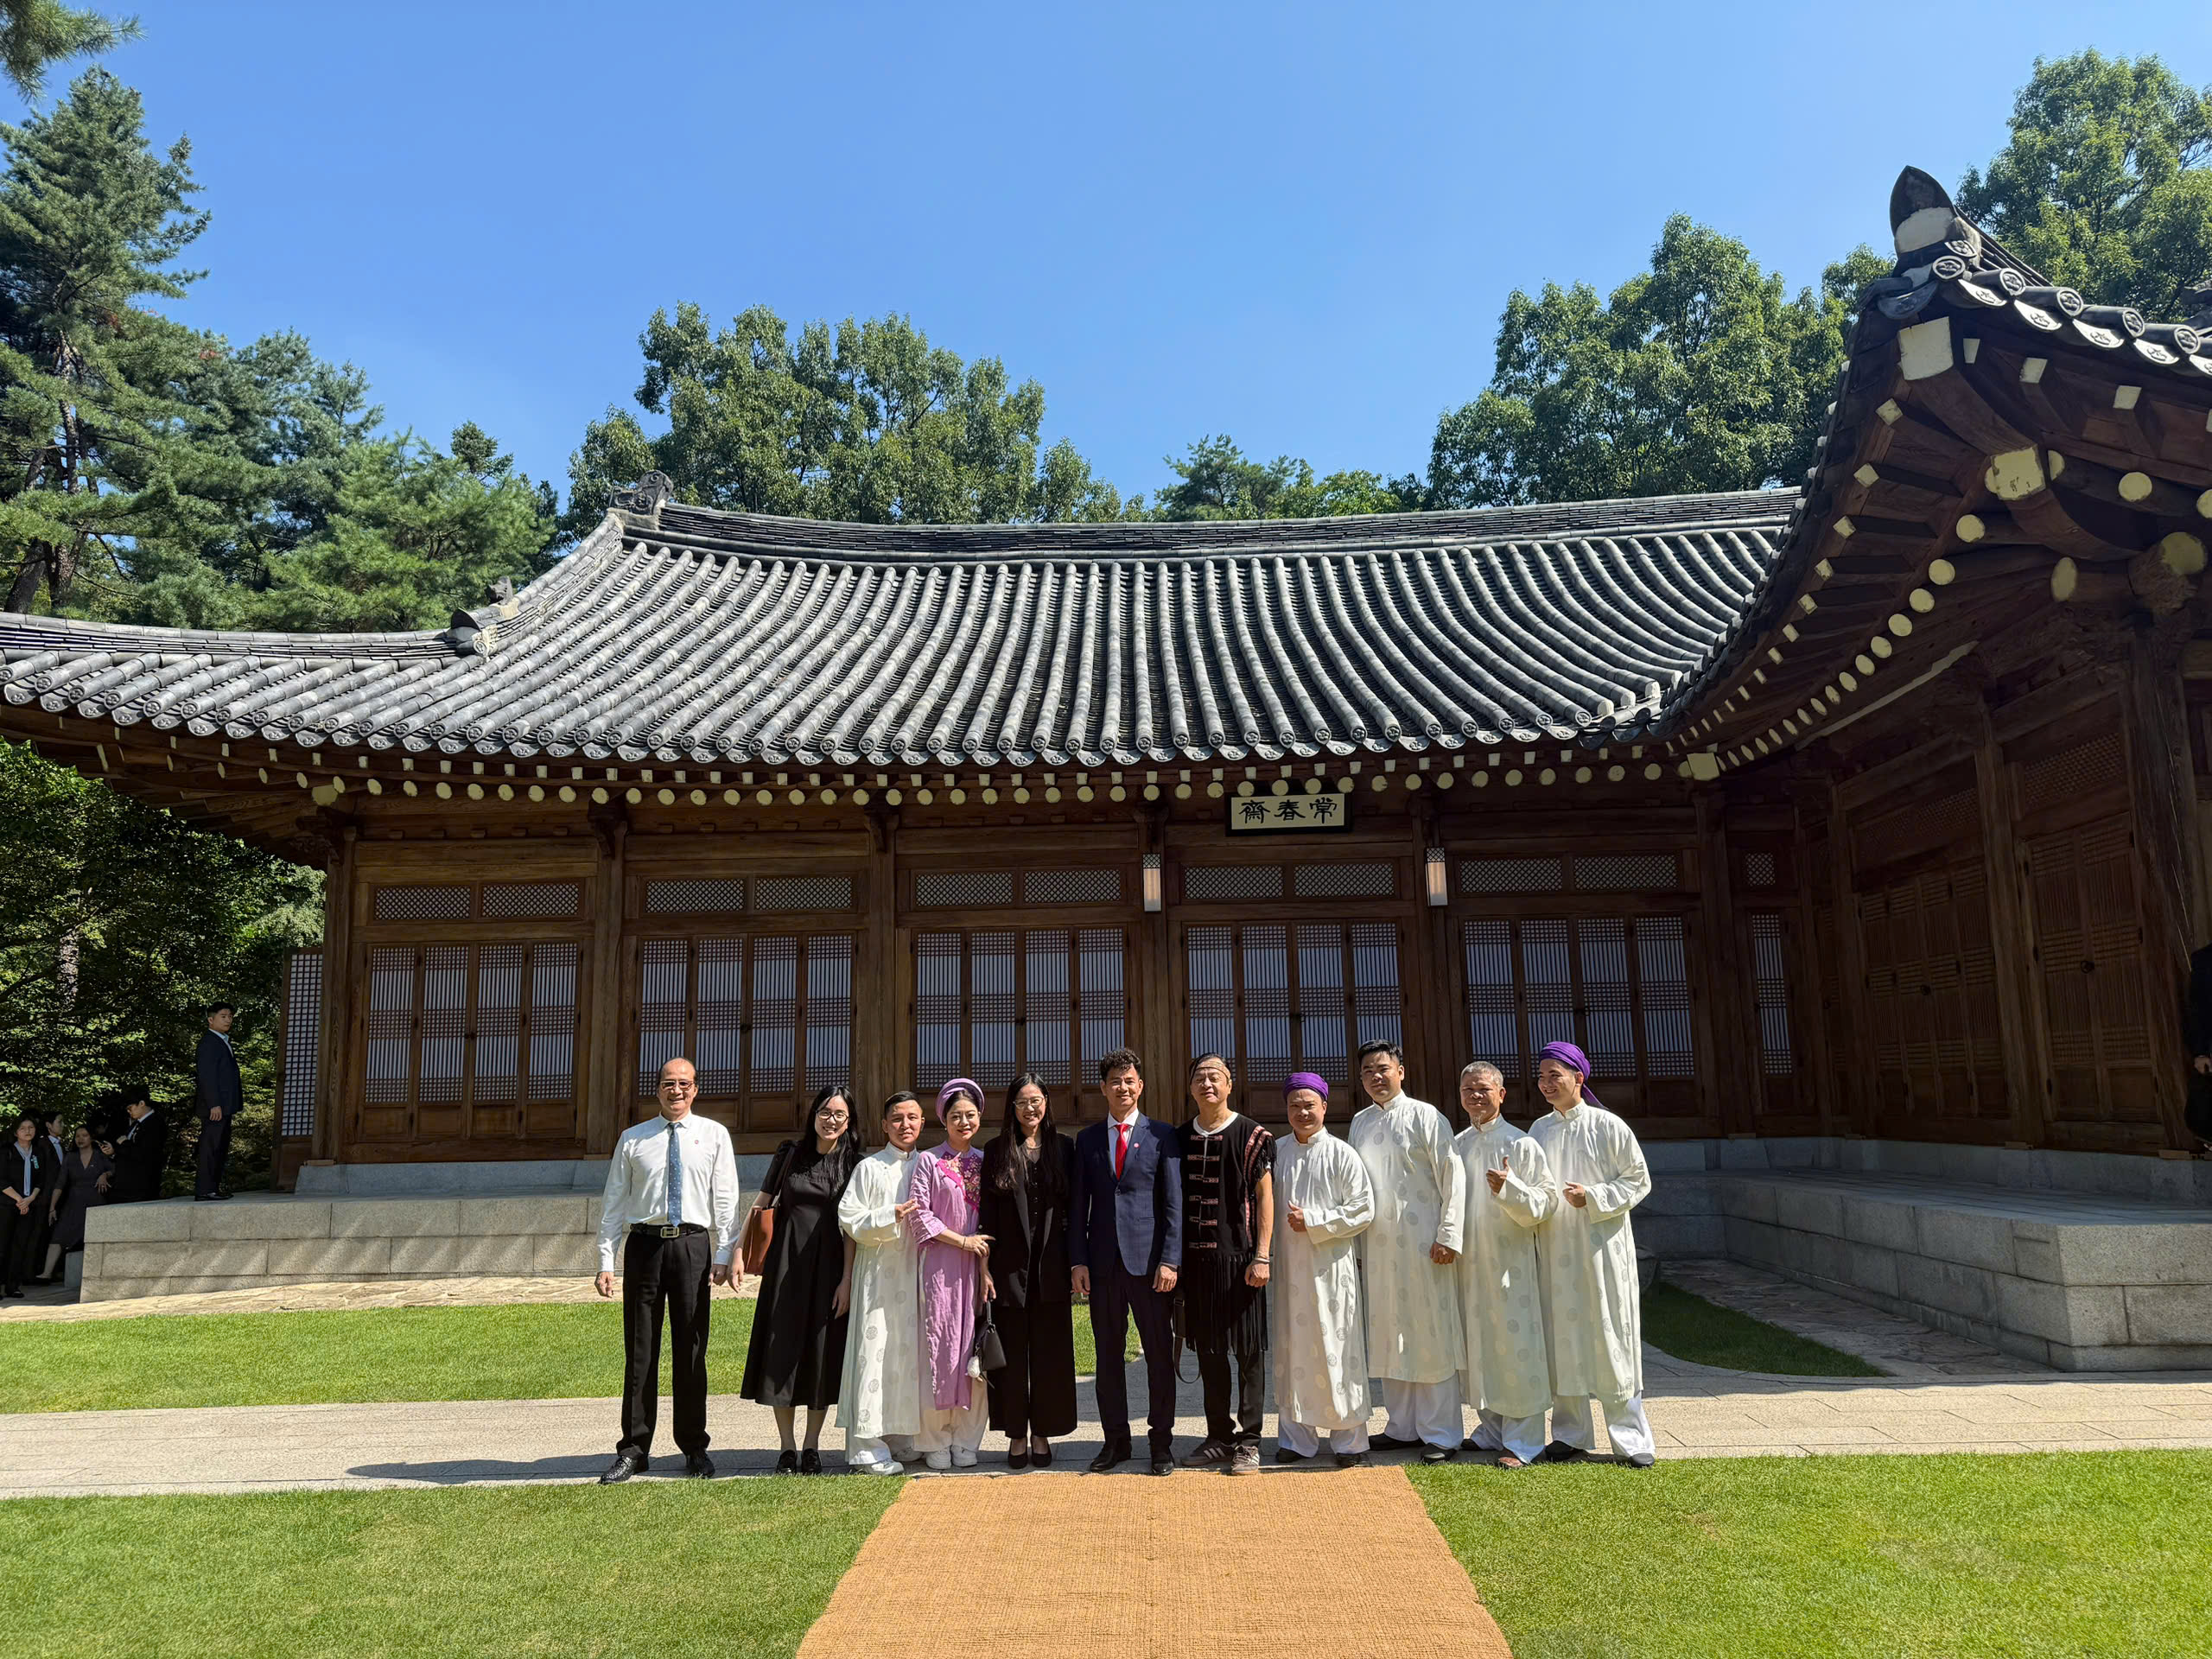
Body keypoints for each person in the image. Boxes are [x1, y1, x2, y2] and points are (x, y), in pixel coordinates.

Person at [594, 1057, 741, 1483]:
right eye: (668, 1083)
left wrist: (725, 1252)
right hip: (644, 1247)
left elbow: (726, 1198)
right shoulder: (633, 1139)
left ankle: (694, 1447)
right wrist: (607, 1260)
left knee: (692, 1350)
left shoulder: (714, 1135)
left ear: (696, 1089)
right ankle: (634, 1449)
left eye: (684, 1083)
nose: (676, 1090)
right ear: (656, 1088)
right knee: (640, 1352)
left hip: (693, 1247)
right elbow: (614, 1202)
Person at [1527, 1040, 1656, 1468]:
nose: (1546, 1083)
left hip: (1602, 1249)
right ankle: (1569, 1433)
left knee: (1610, 1337)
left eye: (1554, 1075)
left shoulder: (1609, 1126)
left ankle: (1631, 1438)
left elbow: (1638, 1180)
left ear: (1578, 1078)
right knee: (1561, 1337)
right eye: (1541, 1076)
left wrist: (1595, 1196)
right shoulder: (1539, 1131)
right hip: (1555, 1247)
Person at [1348, 1039, 1466, 1463]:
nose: (1376, 1077)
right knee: (1389, 1335)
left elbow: (1454, 1176)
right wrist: (1357, 1245)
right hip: (1379, 1250)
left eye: (1383, 1068)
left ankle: (1442, 1432)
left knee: (1430, 1333)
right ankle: (1402, 1426)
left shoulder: (1426, 1116)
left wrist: (1449, 1234)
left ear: (1401, 1070)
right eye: (1368, 1072)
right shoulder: (1360, 1123)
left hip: (1425, 1246)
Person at [1070, 1047, 1183, 1476]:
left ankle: (1160, 1443)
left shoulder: (1162, 1135)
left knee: (1157, 1355)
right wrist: (1078, 1261)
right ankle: (1115, 1441)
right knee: (1107, 1357)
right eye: (1114, 1081)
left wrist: (1170, 1260)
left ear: (1141, 1086)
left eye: (1130, 1080)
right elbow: (1079, 1205)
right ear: (1103, 1088)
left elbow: (1173, 1204)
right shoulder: (1088, 1140)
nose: (1123, 1087)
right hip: (1102, 1266)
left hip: (1151, 1266)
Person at [741, 1084, 864, 1473]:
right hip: (785, 1267)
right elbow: (761, 1205)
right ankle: (787, 1447)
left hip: (829, 1270)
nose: (831, 1120)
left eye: (839, 1115)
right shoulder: (790, 1153)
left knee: (820, 1354)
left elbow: (853, 1230)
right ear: (813, 1115)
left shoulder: (854, 1164)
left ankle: (812, 1446)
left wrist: (847, 1280)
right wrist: (737, 1256)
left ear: (849, 1122)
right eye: (825, 1112)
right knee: (782, 1352)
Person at [1451, 1061, 1554, 1469]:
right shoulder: (1457, 1144)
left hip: (1511, 1264)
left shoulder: (1522, 1144)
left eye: (1483, 1089)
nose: (1475, 1096)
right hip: (1470, 1264)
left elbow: (1546, 1203)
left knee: (1517, 1347)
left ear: (1501, 1094)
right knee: (1480, 1346)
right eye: (1468, 1090)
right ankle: (1491, 1428)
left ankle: (1525, 1440)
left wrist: (1510, 1190)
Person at [1270, 1072, 1376, 1468]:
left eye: (1309, 1104)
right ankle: (1297, 1440)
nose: (1302, 1112)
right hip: (1289, 1273)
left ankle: (1349, 1441)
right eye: (1295, 1105)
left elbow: (1363, 1209)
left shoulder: (1342, 1154)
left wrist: (1314, 1221)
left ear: (1324, 1107)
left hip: (1332, 1271)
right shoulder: (1276, 1152)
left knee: (1339, 1347)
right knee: (1292, 1349)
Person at [1176, 1052, 1274, 1475]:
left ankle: (1250, 1440)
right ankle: (1219, 1436)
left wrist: (1263, 1255)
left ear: (1230, 1084)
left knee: (1249, 1354)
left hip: (1242, 1261)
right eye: (1199, 1077)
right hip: (1197, 1266)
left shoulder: (1253, 1136)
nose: (1207, 1084)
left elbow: (1265, 1197)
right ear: (1191, 1087)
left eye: (1215, 1077)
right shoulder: (1178, 1138)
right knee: (1211, 1355)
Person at [979, 1072, 1077, 1469]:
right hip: (1008, 1269)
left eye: (1036, 1100)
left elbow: (1074, 1211)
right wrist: (984, 1269)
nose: (1030, 1108)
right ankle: (1017, 1434)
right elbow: (986, 1215)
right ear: (1012, 1108)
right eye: (1022, 1102)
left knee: (1051, 1354)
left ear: (1046, 1103)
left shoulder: (1064, 1148)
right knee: (1012, 1356)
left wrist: (1076, 1264)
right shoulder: (996, 1149)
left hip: (1052, 1268)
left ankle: (1043, 1433)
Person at [837, 1091, 928, 1476]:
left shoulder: (929, 1165)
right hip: (877, 1274)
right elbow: (848, 1218)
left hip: (917, 1272)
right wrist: (887, 1214)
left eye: (913, 1118)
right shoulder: (869, 1168)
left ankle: (900, 1436)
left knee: (907, 1353)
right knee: (873, 1352)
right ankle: (864, 1448)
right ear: (884, 1126)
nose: (905, 1125)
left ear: (923, 1123)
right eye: (897, 1119)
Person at [906, 1078, 991, 1470]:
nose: (963, 1122)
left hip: (977, 1268)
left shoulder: (985, 1162)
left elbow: (991, 1221)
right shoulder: (929, 1161)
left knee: (973, 1351)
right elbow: (919, 1215)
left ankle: (967, 1439)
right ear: (943, 1119)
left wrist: (985, 1265)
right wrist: (962, 1242)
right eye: (956, 1115)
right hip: (940, 1265)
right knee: (938, 1348)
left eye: (970, 1115)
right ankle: (935, 1438)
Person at [43, 1125, 111, 1284]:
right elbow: (60, 1183)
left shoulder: (100, 1155)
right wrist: (52, 1207)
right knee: (59, 1235)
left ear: (91, 1137)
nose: (80, 1139)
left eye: (84, 1135)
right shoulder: (70, 1157)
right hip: (74, 1201)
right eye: (77, 1136)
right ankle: (46, 1273)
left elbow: (113, 1169)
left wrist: (104, 1174)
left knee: (95, 1236)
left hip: (96, 1202)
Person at [194, 1002, 242, 1202]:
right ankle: (205, 1189)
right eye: (223, 1016)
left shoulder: (222, 1041)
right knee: (211, 1147)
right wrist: (214, 1103)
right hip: (215, 1106)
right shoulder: (209, 1043)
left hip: (224, 1105)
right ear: (211, 1019)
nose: (228, 1019)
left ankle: (213, 1187)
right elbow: (207, 1076)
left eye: (230, 1016)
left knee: (220, 1147)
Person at [3, 1117, 46, 1298]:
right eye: (23, 1128)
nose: (27, 1131)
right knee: (2, 1245)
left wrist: (30, 1199)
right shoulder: (7, 1152)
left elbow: (41, 1180)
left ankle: (13, 1286)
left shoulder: (37, 1152)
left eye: (31, 1128)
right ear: (15, 1132)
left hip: (28, 1205)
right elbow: (1, 1180)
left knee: (20, 1247)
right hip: (7, 1204)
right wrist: (20, 1199)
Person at [105, 1086, 166, 1204]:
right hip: (126, 1184)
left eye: (130, 1108)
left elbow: (145, 1153)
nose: (129, 1112)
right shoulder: (136, 1124)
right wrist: (113, 1151)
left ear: (142, 1103)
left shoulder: (155, 1123)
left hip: (142, 1185)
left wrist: (125, 1143)